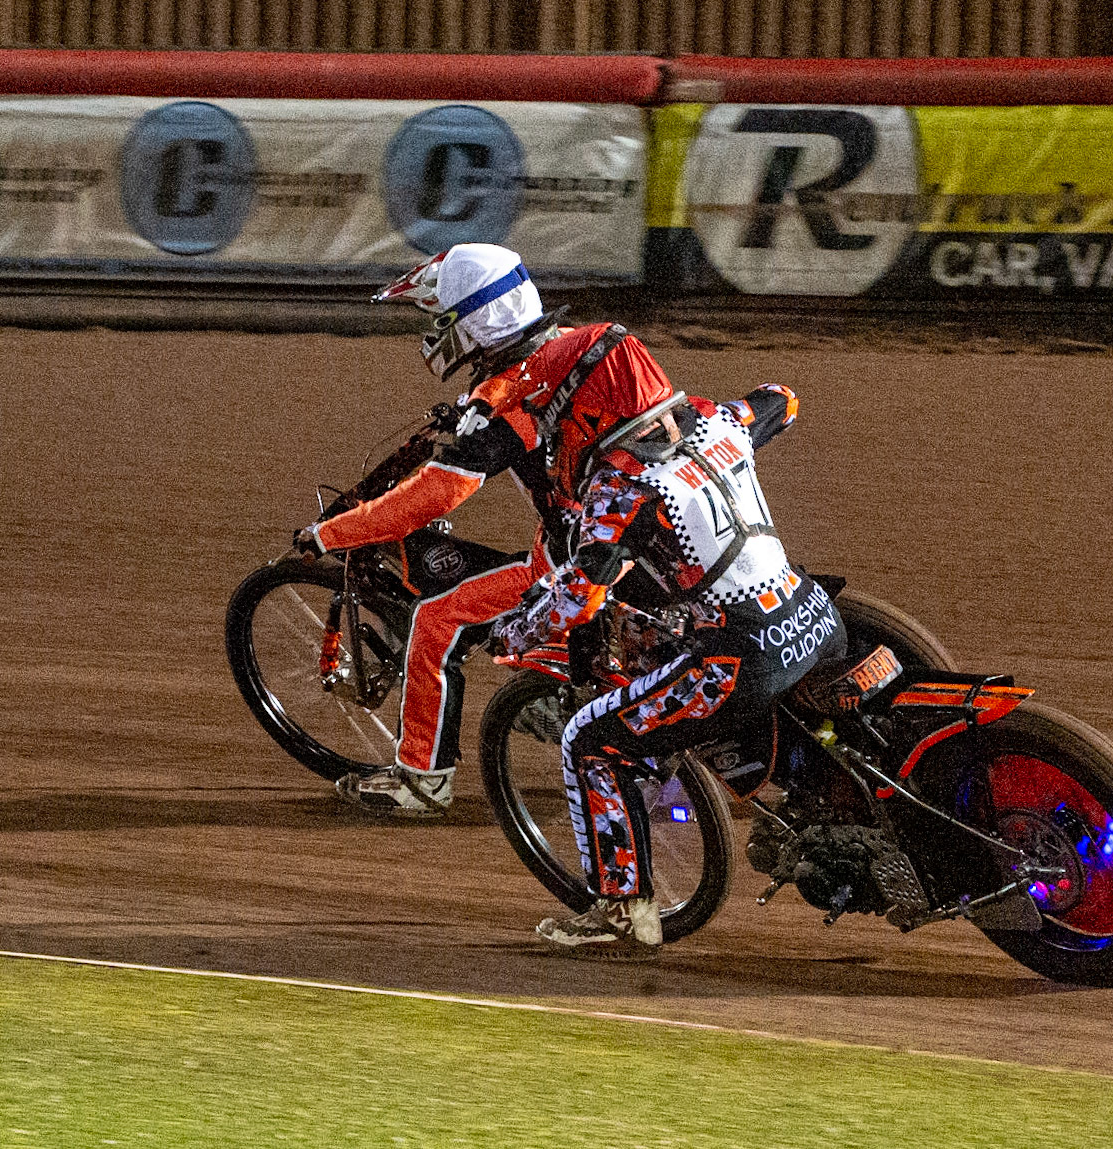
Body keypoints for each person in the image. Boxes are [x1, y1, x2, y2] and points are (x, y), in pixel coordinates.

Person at [292, 242, 683, 817]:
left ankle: (423, 781)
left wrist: (333, 534)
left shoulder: (506, 397)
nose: (433, 333)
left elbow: (436, 494)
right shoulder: (568, 347)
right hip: (669, 526)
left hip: (584, 556)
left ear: (472, 321)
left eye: (441, 320)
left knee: (436, 619)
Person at [489, 381, 844, 960]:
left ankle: (625, 910)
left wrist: (512, 631)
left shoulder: (619, 486)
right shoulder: (718, 420)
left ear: (583, 423)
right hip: (815, 615)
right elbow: (784, 397)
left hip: (740, 660)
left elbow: (578, 597)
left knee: (590, 740)